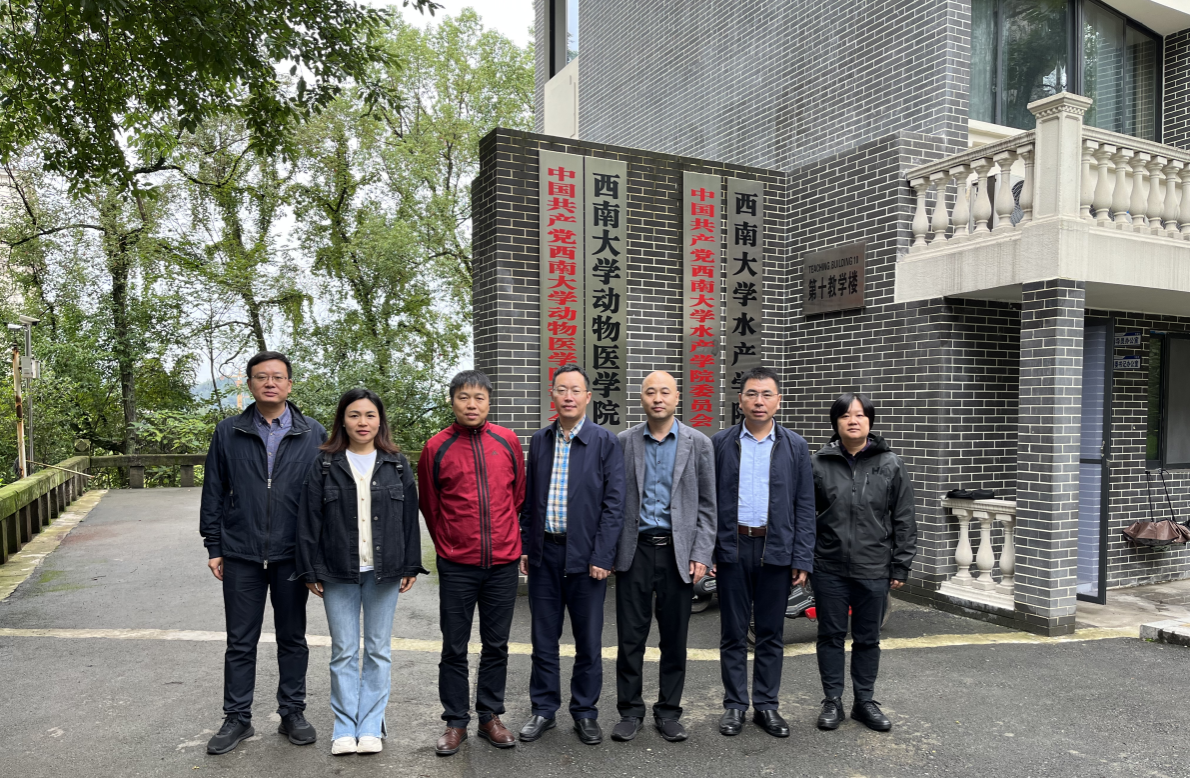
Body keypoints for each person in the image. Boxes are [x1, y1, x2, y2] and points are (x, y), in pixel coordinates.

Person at [200, 351, 327, 755]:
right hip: (241, 552)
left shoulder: (313, 432)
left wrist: (318, 556)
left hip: (292, 555)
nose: (269, 383)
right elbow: (214, 490)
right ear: (250, 383)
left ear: (289, 384)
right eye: (261, 377)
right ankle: (237, 717)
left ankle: (292, 712)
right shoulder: (228, 431)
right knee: (240, 641)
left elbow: (325, 499)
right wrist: (214, 544)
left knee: (293, 637)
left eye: (277, 377)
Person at [294, 388, 425, 756]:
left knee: (379, 650)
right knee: (344, 651)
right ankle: (344, 726)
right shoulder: (324, 463)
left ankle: (369, 726)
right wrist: (310, 569)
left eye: (369, 415)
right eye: (354, 415)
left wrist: (410, 564)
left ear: (380, 421)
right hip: (338, 570)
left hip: (385, 571)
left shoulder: (396, 463)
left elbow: (409, 519)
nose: (362, 422)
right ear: (343, 420)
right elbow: (309, 520)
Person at [419, 370, 526, 756]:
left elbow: (517, 496)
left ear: (489, 402)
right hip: (457, 564)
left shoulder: (507, 440)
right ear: (452, 401)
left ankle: (489, 716)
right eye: (463, 397)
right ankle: (455, 721)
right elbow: (430, 505)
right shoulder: (437, 447)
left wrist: (505, 539)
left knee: (497, 645)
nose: (471, 404)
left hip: (502, 563)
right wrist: (449, 545)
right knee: (454, 646)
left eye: (479, 397)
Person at [519, 364, 626, 746]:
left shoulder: (605, 442)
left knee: (588, 642)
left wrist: (602, 555)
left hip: (586, 559)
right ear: (552, 394)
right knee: (543, 640)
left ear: (587, 397)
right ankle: (543, 710)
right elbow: (529, 500)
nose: (568, 396)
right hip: (545, 554)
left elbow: (614, 505)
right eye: (561, 389)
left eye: (575, 390)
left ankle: (584, 712)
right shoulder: (540, 440)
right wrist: (527, 546)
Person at [611, 371, 716, 743]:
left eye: (665, 392)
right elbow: (613, 501)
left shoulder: (698, 443)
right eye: (650, 392)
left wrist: (701, 551)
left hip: (678, 554)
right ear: (641, 398)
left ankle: (669, 712)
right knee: (630, 639)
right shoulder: (623, 442)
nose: (658, 398)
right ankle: (630, 711)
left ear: (677, 397)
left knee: (674, 639)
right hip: (634, 551)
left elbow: (708, 505)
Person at [711, 366, 815, 738]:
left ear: (778, 401)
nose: (759, 401)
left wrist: (802, 557)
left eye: (766, 394)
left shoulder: (795, 446)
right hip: (733, 547)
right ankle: (735, 706)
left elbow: (805, 505)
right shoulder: (721, 443)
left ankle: (767, 706)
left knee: (771, 632)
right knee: (733, 632)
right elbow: (709, 502)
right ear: (740, 400)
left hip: (777, 549)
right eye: (752, 394)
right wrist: (709, 550)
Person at [811, 393, 917, 733]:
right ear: (836, 422)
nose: (853, 420)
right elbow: (805, 516)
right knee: (830, 635)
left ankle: (864, 701)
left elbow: (904, 517)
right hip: (828, 566)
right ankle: (832, 701)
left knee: (867, 638)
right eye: (845, 415)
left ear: (870, 421)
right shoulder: (819, 463)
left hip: (873, 566)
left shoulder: (890, 463)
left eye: (859, 415)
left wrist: (900, 564)